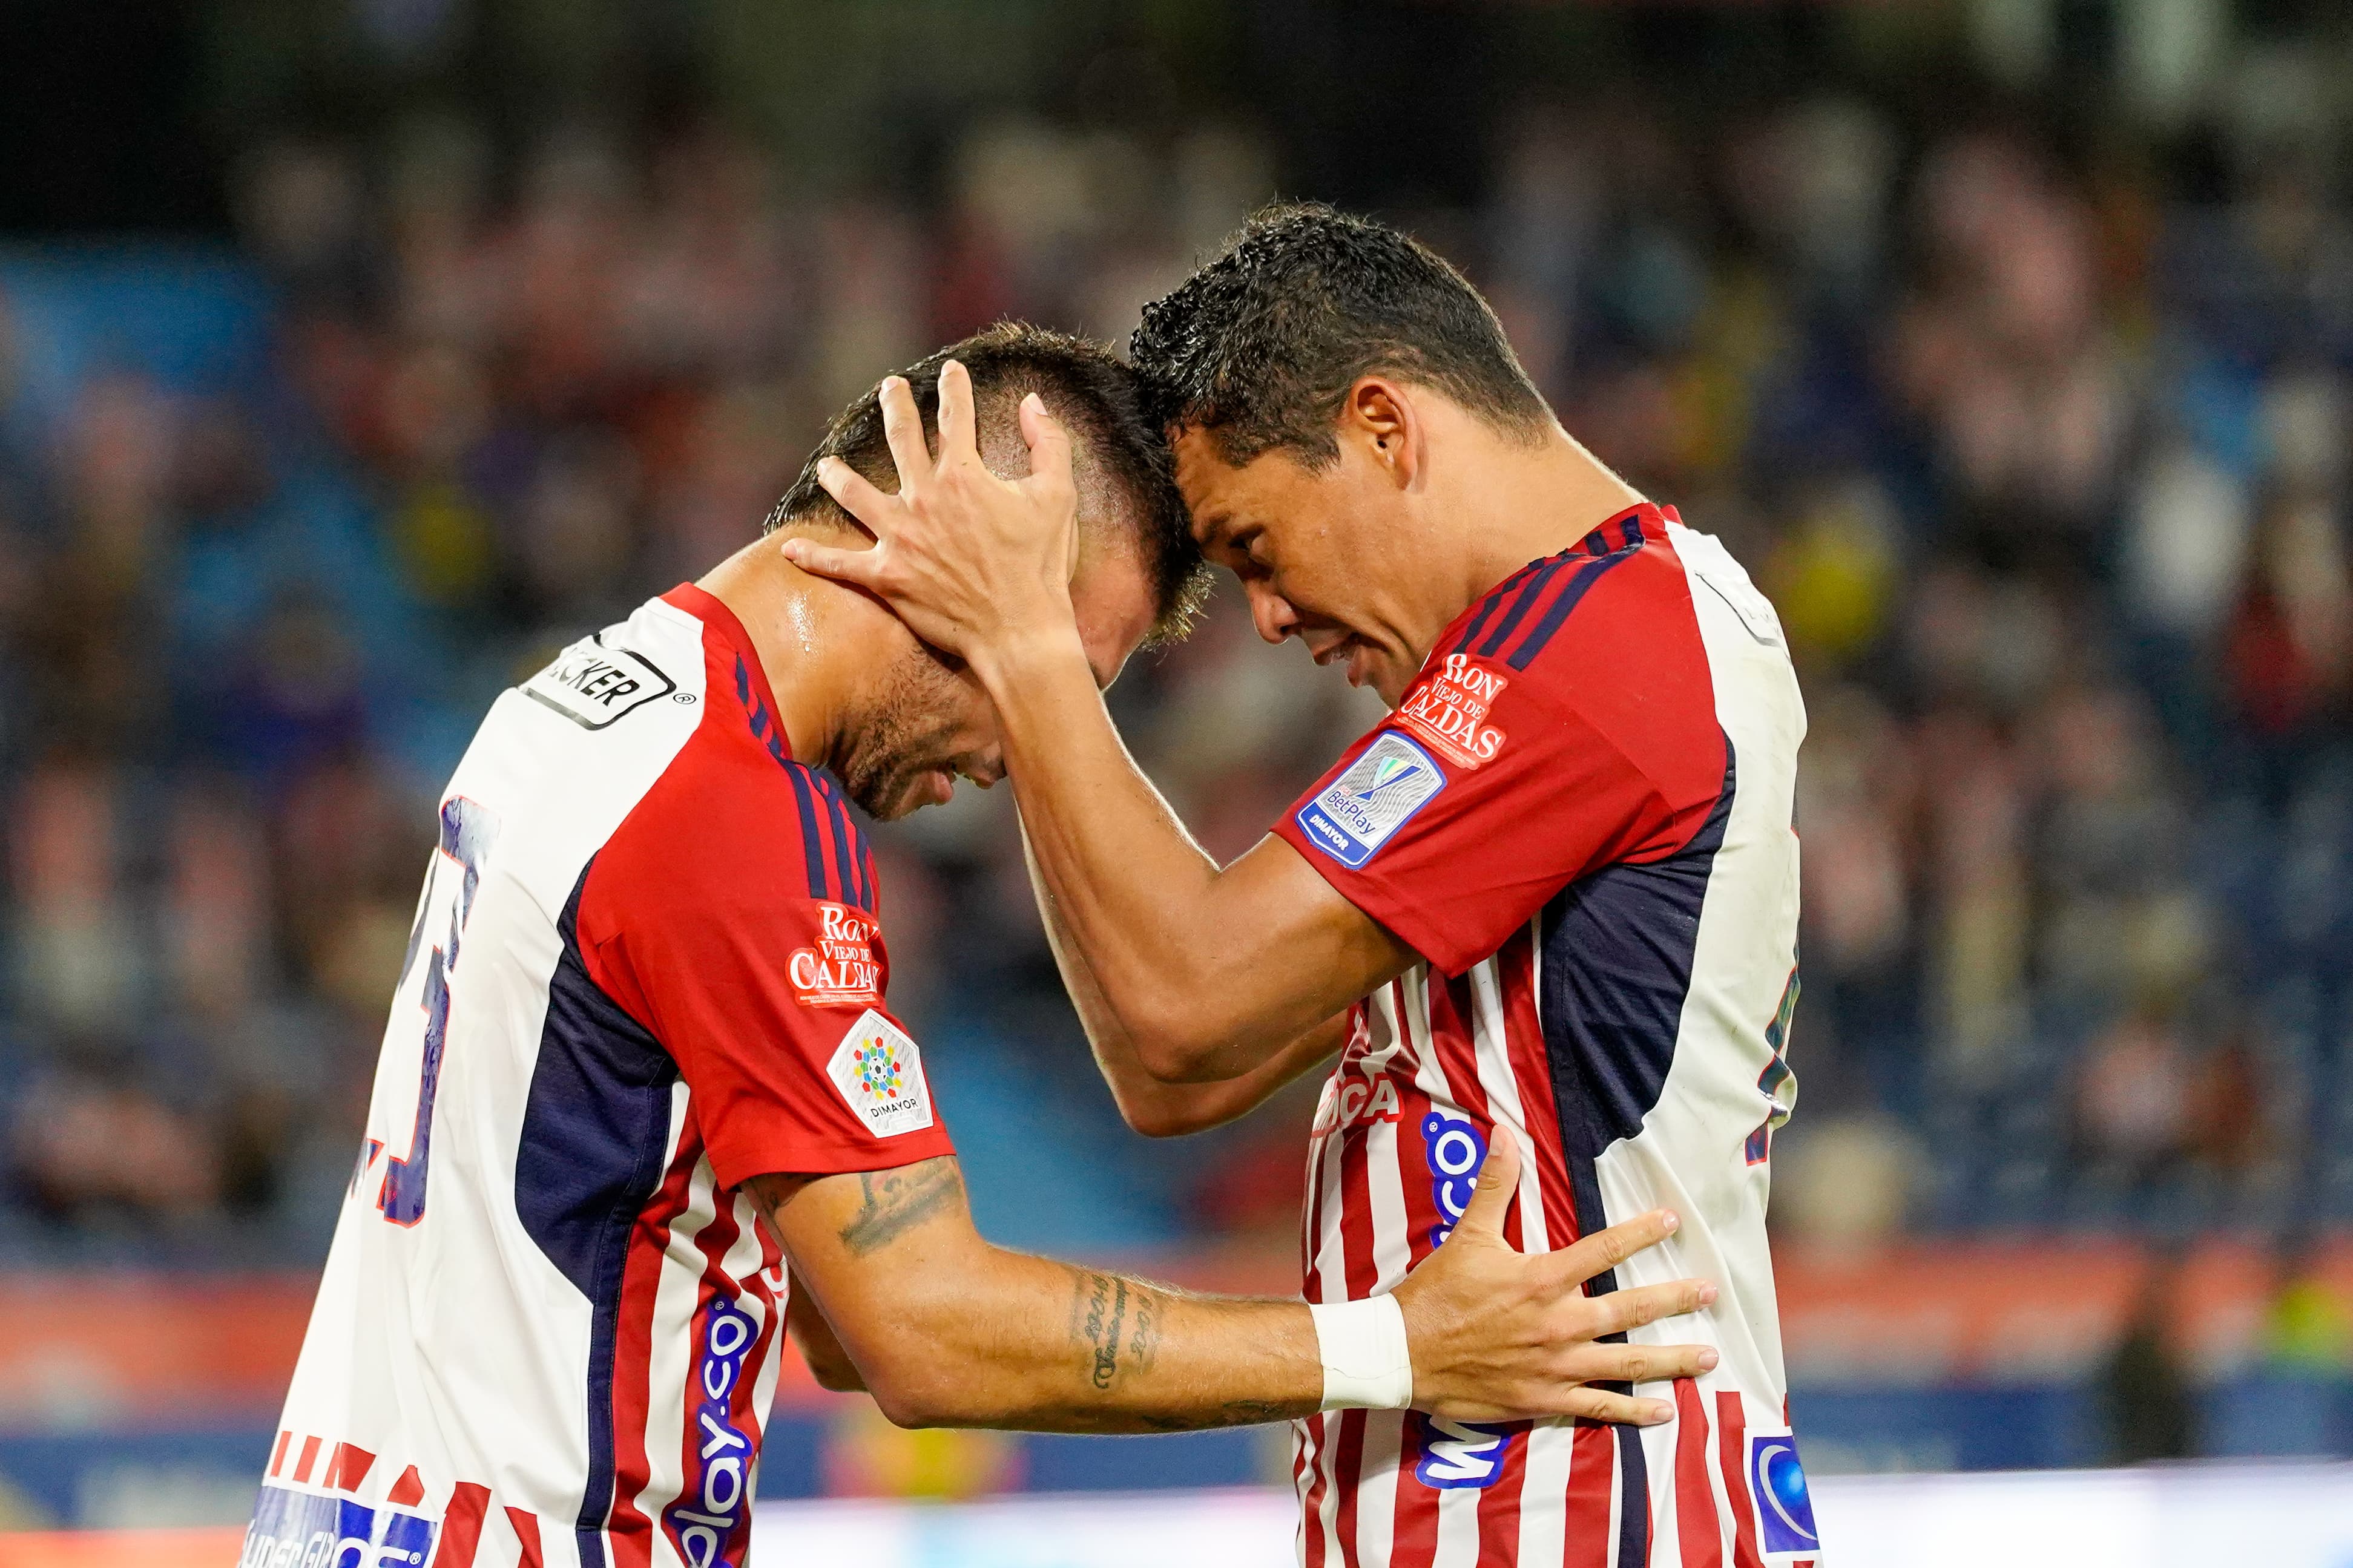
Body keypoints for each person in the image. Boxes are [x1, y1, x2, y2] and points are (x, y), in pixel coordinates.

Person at [242, 323, 1719, 1568]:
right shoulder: (736, 809)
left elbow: (824, 1314)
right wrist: (1393, 1348)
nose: (1032, 746)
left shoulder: (582, 700)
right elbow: (921, 1332)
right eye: (1050, 672)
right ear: (950, 555)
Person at [783, 209, 1814, 1567]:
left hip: (1581, 1513)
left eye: (1257, 545)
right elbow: (1179, 1082)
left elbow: (1184, 1008)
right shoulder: (1573, 651)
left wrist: (1027, 643)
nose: (1266, 618)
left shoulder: (1605, 646)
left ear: (1384, 430)